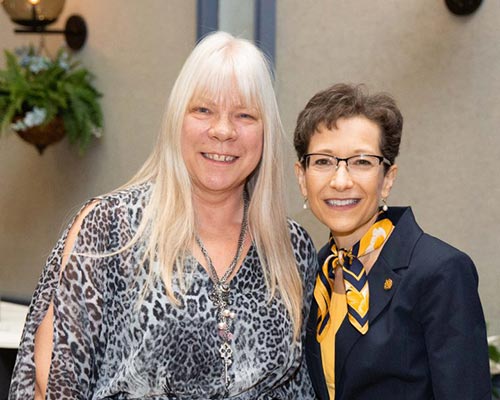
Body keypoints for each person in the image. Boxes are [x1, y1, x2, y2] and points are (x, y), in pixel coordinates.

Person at [9, 31, 317, 399]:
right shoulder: (110, 228)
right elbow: (55, 382)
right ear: (176, 119)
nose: (223, 131)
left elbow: (302, 386)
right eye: (203, 110)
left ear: (266, 131)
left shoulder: (291, 248)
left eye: (245, 115)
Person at [293, 83, 491, 399]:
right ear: (302, 178)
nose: (340, 181)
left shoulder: (440, 272)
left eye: (361, 161)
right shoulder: (314, 272)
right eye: (323, 162)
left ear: (387, 179)